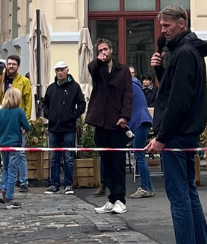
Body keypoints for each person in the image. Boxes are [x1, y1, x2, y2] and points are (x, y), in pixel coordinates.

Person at [147, 6, 207, 244]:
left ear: (181, 25)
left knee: (179, 196)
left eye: (167, 27)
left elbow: (178, 101)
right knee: (189, 193)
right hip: (186, 133)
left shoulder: (184, 53)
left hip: (177, 135)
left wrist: (162, 136)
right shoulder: (187, 52)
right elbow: (173, 90)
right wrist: (161, 71)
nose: (163, 31)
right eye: (161, 27)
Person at [87, 37, 133, 215]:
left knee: (118, 163)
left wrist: (125, 116)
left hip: (117, 122)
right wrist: (97, 62)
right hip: (101, 122)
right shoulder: (97, 69)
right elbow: (91, 70)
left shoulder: (123, 71)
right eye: (100, 50)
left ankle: (121, 199)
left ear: (111, 50)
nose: (103, 53)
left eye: (105, 49)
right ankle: (111, 199)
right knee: (105, 162)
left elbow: (128, 95)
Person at [0, 55, 33, 192]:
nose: (11, 66)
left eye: (14, 64)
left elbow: (28, 101)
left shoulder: (24, 81)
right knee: (7, 161)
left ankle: (24, 181)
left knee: (20, 154)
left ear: (18, 66)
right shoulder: (1, 79)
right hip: (5, 119)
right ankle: (7, 188)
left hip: (18, 120)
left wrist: (24, 121)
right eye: (9, 64)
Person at [42, 61, 85, 196]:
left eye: (62, 70)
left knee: (68, 157)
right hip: (54, 128)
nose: (59, 73)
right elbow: (45, 104)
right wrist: (49, 115)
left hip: (69, 128)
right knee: (54, 157)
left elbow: (82, 105)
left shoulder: (75, 87)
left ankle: (68, 184)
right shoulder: (51, 88)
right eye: (57, 70)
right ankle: (54, 184)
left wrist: (72, 117)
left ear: (67, 70)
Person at [0, 87, 31, 209]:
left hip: (3, 143)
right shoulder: (19, 111)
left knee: (5, 169)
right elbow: (27, 126)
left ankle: (3, 190)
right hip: (15, 144)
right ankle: (9, 198)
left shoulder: (1, 112)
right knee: (12, 171)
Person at [128, 70, 155, 199]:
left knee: (139, 155)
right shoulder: (135, 85)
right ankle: (148, 188)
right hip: (142, 121)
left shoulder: (129, 86)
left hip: (139, 121)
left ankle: (145, 187)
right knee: (140, 155)